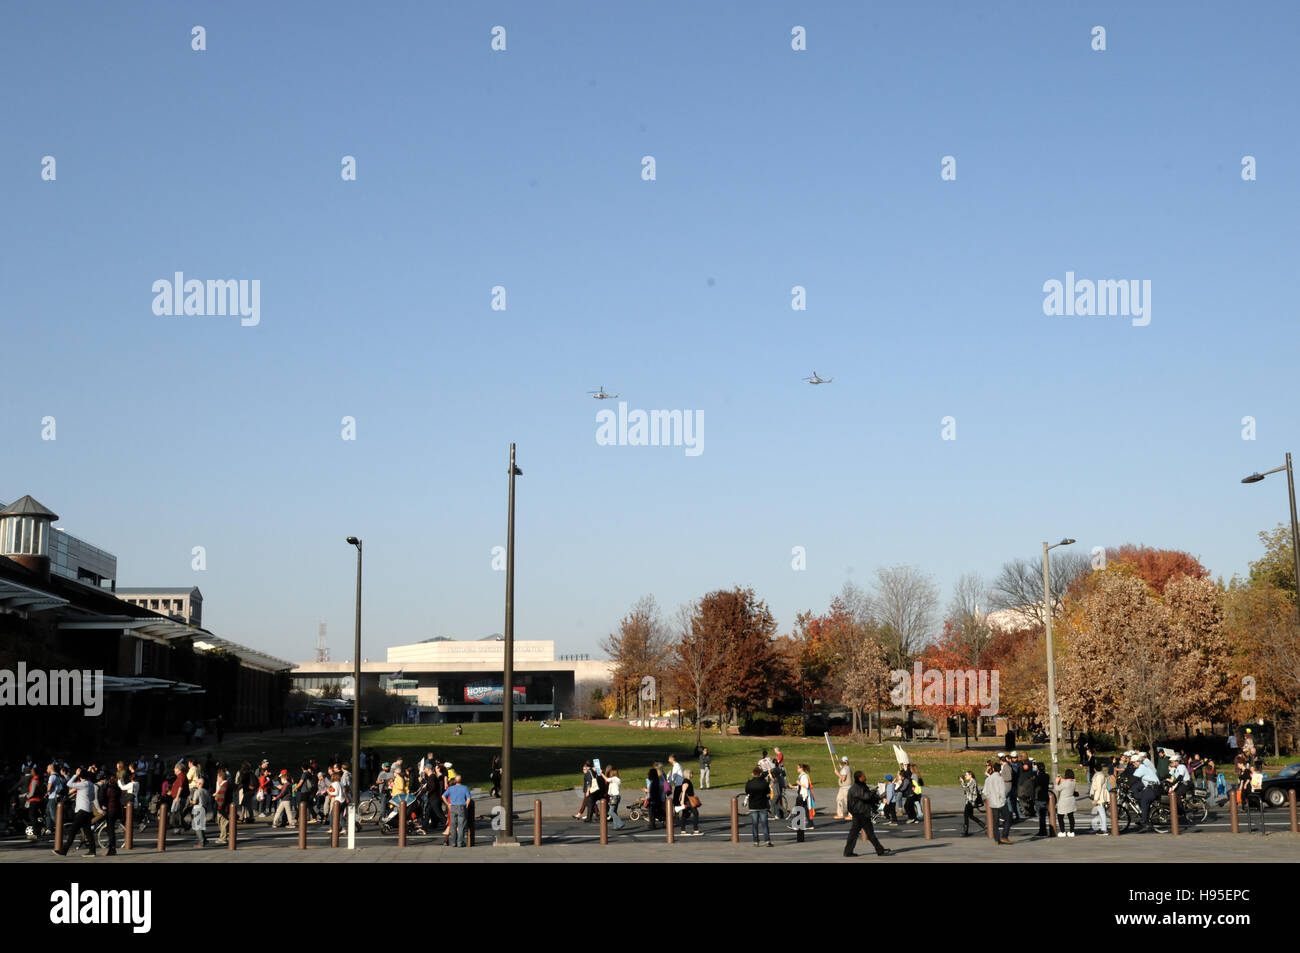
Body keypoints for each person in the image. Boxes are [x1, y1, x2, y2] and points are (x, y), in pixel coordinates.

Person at [844, 770, 892, 857]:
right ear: (859, 778)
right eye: (863, 776)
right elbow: (866, 796)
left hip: (860, 813)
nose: (865, 777)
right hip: (860, 813)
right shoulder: (856, 787)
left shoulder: (860, 786)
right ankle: (880, 850)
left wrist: (875, 797)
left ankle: (848, 851)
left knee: (855, 833)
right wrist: (873, 791)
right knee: (869, 833)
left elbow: (867, 798)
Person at [983, 761, 1012, 845]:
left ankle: (997, 839)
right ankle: (1004, 836)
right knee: (1007, 819)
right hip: (1001, 802)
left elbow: (985, 791)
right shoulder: (1000, 779)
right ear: (1000, 770)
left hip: (992, 802)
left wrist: (990, 797)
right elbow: (1002, 792)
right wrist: (1003, 800)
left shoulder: (988, 779)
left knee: (995, 821)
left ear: (992, 769)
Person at [744, 767, 773, 846]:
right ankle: (767, 841)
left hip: (753, 806)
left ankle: (756, 841)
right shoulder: (764, 783)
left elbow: (747, 791)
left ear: (753, 774)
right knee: (764, 824)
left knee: (755, 824)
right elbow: (768, 792)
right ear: (760, 774)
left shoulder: (749, 783)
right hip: (763, 805)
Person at [443, 774, 472, 847]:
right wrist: (466, 806)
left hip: (453, 807)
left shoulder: (451, 788)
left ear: (455, 780)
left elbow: (443, 796)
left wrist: (448, 804)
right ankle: (460, 842)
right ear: (461, 780)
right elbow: (468, 798)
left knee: (453, 826)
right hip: (461, 807)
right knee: (461, 826)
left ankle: (453, 842)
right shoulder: (465, 788)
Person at [190, 776, 213, 848]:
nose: (196, 784)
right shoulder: (206, 791)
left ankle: (201, 842)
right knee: (201, 826)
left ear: (200, 784)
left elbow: (194, 802)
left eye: (197, 783)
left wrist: (191, 801)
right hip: (204, 808)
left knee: (197, 827)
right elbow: (210, 801)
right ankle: (204, 840)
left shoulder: (197, 791)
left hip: (198, 808)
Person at [676, 769, 701, 834]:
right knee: (695, 813)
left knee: (685, 814)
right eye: (691, 773)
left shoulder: (687, 781)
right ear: (688, 774)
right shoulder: (686, 782)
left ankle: (683, 830)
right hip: (688, 801)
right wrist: (682, 801)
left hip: (687, 800)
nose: (692, 775)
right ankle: (695, 829)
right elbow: (683, 792)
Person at [1054, 769, 1078, 837]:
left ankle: (1062, 832)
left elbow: (1057, 788)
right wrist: (1061, 779)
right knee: (1071, 816)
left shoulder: (1064, 783)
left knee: (1060, 817)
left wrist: (1056, 782)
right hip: (1071, 801)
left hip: (1063, 801)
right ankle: (1072, 831)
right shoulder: (1073, 782)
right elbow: (1067, 782)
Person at [960, 770, 984, 836]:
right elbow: (966, 787)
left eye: (966, 775)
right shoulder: (971, 781)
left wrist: (962, 782)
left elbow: (966, 788)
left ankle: (965, 832)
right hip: (970, 801)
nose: (965, 776)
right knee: (970, 815)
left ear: (970, 775)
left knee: (966, 815)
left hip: (970, 801)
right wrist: (963, 782)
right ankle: (983, 825)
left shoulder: (973, 781)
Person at [1089, 765, 1111, 835]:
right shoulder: (1101, 775)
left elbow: (1098, 788)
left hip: (1100, 797)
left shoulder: (1098, 776)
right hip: (1101, 795)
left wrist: (1095, 799)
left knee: (1102, 813)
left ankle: (1104, 829)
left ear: (1095, 769)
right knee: (1101, 812)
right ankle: (1103, 828)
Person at [644, 762, 664, 830]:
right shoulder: (657, 780)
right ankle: (662, 820)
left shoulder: (653, 782)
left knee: (652, 813)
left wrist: (651, 800)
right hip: (657, 799)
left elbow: (653, 792)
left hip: (654, 799)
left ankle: (652, 825)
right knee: (657, 812)